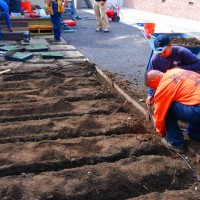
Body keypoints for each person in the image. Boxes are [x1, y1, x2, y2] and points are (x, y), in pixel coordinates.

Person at [145, 68, 200, 153]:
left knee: (166, 108)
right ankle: (195, 133)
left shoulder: (163, 86)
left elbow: (160, 116)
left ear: (153, 81)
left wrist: (162, 132)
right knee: (192, 133)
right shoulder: (175, 71)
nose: (155, 90)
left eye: (152, 87)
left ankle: (176, 143)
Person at [146, 34, 200, 107]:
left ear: (170, 45)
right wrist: (150, 95)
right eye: (159, 52)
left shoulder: (181, 52)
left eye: (163, 51)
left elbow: (198, 64)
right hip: (169, 86)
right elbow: (152, 79)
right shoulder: (155, 60)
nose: (161, 54)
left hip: (184, 83)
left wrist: (180, 69)